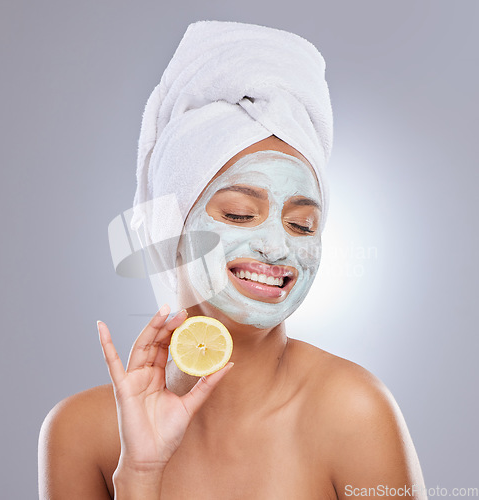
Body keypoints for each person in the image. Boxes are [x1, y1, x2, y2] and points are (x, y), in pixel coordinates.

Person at [38, 21, 427, 500]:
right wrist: (140, 475)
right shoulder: (81, 433)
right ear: (171, 228)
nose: (276, 246)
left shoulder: (354, 412)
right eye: (241, 214)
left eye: (303, 225)